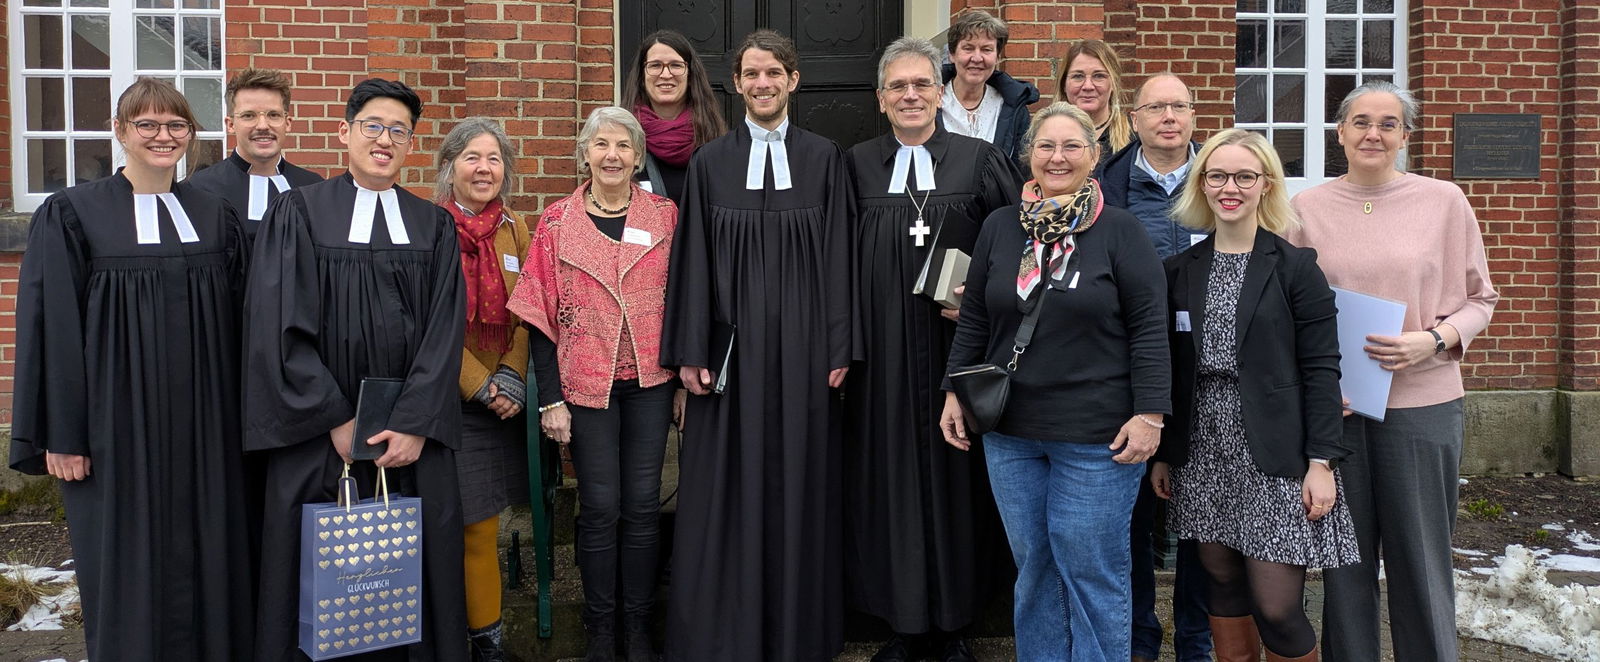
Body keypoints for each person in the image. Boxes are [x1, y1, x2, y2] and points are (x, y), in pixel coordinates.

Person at [10, 76, 251, 659]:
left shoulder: (216, 214)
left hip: (206, 430)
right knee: (127, 566)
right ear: (119, 133)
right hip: (115, 432)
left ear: (192, 135)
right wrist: (62, 435)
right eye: (146, 125)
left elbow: (246, 327)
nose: (162, 136)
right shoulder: (73, 214)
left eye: (175, 126)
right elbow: (52, 330)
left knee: (211, 560)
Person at [243, 78, 468, 662]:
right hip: (320, 441)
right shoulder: (298, 213)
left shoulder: (433, 225)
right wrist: (334, 420)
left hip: (409, 446)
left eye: (398, 130)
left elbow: (445, 333)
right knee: (317, 587)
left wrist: (417, 422)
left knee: (410, 580)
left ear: (411, 144)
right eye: (372, 125)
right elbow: (279, 325)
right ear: (344, 133)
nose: (384, 139)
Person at [939, 102, 1170, 661]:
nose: (1057, 157)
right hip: (1010, 433)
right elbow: (975, 319)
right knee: (1036, 567)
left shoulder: (1121, 230)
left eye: (1071, 146)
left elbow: (1150, 325)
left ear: (1093, 157)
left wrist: (1152, 414)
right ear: (1030, 157)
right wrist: (953, 391)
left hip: (1098, 438)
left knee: (1092, 571)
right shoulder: (1001, 226)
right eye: (1046, 146)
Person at [660, 29, 855, 662]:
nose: (763, 83)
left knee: (802, 484)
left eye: (775, 73)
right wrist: (690, 350)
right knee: (724, 487)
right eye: (752, 74)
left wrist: (839, 347)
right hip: (729, 358)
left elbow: (841, 259)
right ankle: (725, 634)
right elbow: (689, 262)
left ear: (793, 81)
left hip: (805, 357)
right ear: (736, 84)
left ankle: (799, 634)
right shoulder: (711, 162)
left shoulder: (826, 157)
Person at [1286, 81, 1499, 662]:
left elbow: (1480, 300)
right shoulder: (1306, 209)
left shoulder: (1444, 201)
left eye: (1387, 123)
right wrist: (1317, 385)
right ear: (1340, 134)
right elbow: (1284, 309)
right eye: (1360, 122)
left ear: (1406, 135)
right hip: (1340, 411)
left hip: (1423, 408)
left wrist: (1432, 340)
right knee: (1344, 565)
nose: (1372, 134)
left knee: (1421, 561)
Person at [843, 36, 1022, 662]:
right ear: (881, 99)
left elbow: (1024, 249)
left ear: (941, 92)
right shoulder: (857, 164)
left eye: (922, 84)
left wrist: (987, 293)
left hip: (960, 354)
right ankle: (902, 623)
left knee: (959, 485)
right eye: (899, 87)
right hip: (882, 361)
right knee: (887, 483)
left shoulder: (979, 160)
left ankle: (956, 626)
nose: (912, 95)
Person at [1152, 129, 1361, 662]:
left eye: (1244, 176)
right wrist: (1166, 453)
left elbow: (1321, 369)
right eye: (1217, 176)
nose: (1230, 188)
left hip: (1274, 451)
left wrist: (1321, 461)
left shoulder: (1295, 267)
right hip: (1204, 449)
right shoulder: (1179, 271)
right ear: (1202, 185)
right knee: (1221, 586)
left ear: (1266, 184)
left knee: (1277, 607)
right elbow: (1171, 369)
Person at [509, 106, 680, 662]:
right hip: (585, 387)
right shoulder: (557, 221)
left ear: (637, 156)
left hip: (652, 381)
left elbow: (685, 299)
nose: (612, 155)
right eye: (601, 144)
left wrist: (681, 381)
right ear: (585, 152)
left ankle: (637, 626)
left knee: (642, 505)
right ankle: (602, 629)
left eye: (623, 146)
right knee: (601, 506)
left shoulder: (664, 216)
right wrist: (551, 397)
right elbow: (538, 315)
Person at [1098, 72, 1212, 662]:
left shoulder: (1222, 177)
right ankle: (1140, 637)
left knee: (1199, 518)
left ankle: (1197, 638)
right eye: (1155, 107)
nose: (1168, 116)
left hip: (1211, 370)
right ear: (1133, 117)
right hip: (1127, 370)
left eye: (1179, 106)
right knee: (1133, 516)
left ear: (1193, 117)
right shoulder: (1103, 187)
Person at [433, 117, 532, 662]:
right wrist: (479, 383)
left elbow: (529, 312)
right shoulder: (429, 227)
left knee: (484, 528)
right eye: (472, 156)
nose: (484, 168)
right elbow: (429, 323)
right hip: (447, 397)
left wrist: (512, 375)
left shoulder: (517, 231)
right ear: (450, 166)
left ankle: (485, 644)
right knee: (460, 528)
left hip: (503, 401)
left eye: (494, 159)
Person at [187, 68, 323, 240]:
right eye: (248, 115)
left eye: (273, 115)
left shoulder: (313, 188)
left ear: (287, 123)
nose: (262, 126)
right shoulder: (201, 189)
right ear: (230, 124)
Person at [620, 29, 728, 206]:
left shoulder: (714, 138)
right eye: (655, 65)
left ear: (690, 74)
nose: (666, 74)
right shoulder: (622, 137)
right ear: (641, 76)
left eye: (676, 65)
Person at [938, 9, 1040, 162]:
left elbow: (1020, 170)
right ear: (952, 55)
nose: (977, 58)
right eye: (968, 48)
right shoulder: (930, 100)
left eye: (986, 49)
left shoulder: (1013, 107)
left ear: (998, 57)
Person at [1058, 39, 1132, 171]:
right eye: (1078, 76)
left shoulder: (1134, 138)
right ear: (1064, 84)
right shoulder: (1042, 136)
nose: (1088, 86)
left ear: (1113, 83)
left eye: (1098, 76)